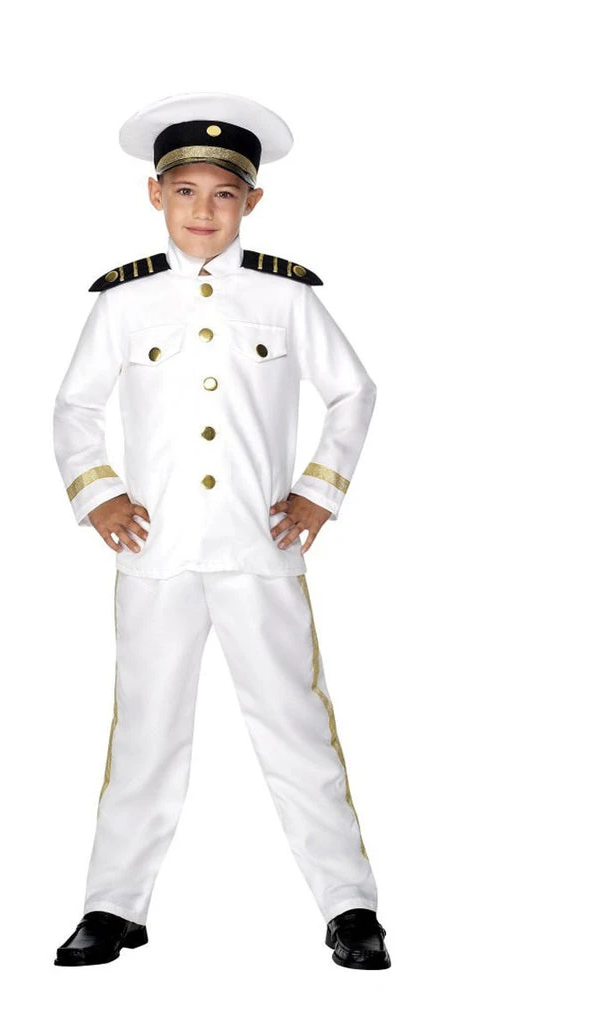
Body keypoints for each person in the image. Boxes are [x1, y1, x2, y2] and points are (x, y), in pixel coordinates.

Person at [52, 91, 391, 970]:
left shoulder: (286, 296)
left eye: (224, 194)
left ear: (252, 202)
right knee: (145, 731)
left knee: (295, 726)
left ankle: (349, 904)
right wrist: (99, 494)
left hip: (259, 548)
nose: (203, 211)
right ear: (155, 196)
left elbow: (353, 391)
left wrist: (318, 491)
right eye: (185, 191)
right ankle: (112, 904)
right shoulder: (124, 301)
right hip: (154, 552)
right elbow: (75, 406)